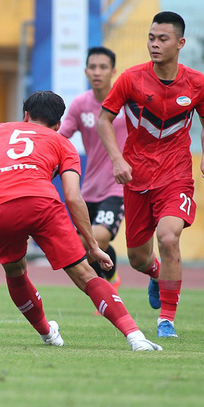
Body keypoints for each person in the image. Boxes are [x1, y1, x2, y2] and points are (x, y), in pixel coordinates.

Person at [0, 90, 162, 351]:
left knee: (15, 272)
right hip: (42, 205)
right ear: (59, 125)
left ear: (26, 115)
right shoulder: (62, 142)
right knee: (85, 275)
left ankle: (46, 333)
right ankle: (135, 337)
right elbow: (74, 198)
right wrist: (93, 246)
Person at [97, 11, 204, 339]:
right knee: (137, 258)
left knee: (168, 237)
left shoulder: (198, 84)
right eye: (151, 38)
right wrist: (118, 160)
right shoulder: (130, 79)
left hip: (176, 174)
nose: (154, 44)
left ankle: (167, 320)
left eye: (162, 39)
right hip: (135, 176)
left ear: (180, 43)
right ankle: (155, 274)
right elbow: (103, 120)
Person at [58, 46, 126, 294]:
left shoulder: (127, 104)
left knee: (94, 239)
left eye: (103, 67)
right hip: (88, 190)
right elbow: (60, 138)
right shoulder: (80, 105)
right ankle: (111, 279)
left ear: (113, 71)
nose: (97, 72)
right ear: (86, 71)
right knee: (83, 247)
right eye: (93, 67)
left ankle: (109, 282)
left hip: (117, 188)